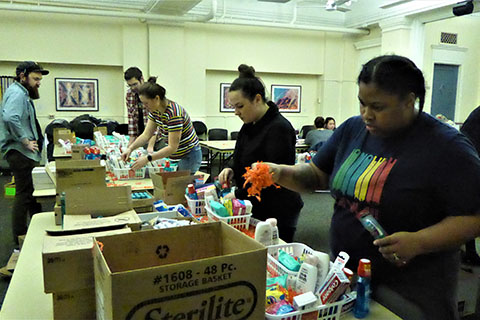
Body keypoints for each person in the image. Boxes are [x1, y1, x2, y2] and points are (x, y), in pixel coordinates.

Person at [261, 55, 480, 319]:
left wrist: (419, 242)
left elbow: (473, 217)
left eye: (377, 106)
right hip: (349, 279)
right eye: (362, 104)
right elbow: (316, 176)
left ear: (409, 101)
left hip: (410, 290)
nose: (367, 114)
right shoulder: (354, 129)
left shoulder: (447, 147)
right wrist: (280, 172)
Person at [218, 64, 303, 242]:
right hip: (254, 204)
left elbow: (270, 179)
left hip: (277, 208)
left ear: (257, 99)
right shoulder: (249, 124)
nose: (236, 112)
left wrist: (239, 194)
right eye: (233, 107)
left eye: (239, 106)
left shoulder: (279, 128)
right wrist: (231, 168)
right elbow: (240, 154)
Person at [0, 61, 48, 245]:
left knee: (31, 194)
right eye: (35, 78)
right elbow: (10, 117)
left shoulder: (21, 93)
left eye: (39, 79)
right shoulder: (17, 93)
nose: (38, 83)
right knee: (24, 195)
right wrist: (25, 140)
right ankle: (20, 239)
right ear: (22, 76)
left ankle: (38, 229)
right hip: (19, 152)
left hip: (23, 153)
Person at [121, 77, 202, 174]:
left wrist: (148, 158)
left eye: (146, 103)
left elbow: (172, 147)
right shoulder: (155, 111)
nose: (144, 106)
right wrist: (130, 149)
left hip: (189, 155)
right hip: (176, 155)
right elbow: (146, 135)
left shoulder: (174, 114)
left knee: (179, 186)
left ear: (157, 98)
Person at [459, 106, 480, 265]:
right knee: (470, 208)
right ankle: (470, 252)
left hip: (470, 159)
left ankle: (470, 252)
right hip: (471, 160)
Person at [124, 67, 159, 154]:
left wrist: (150, 146)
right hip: (142, 137)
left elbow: (156, 124)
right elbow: (131, 120)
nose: (132, 88)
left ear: (142, 79)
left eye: (135, 84)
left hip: (157, 139)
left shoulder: (152, 92)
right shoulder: (130, 94)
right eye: (130, 85)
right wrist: (130, 145)